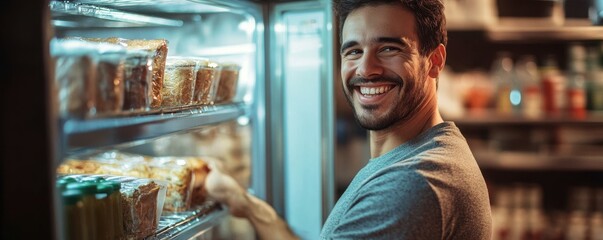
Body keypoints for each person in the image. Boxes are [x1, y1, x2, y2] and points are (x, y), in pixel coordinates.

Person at [204, 0, 493, 239]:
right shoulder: (421, 154)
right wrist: (248, 206)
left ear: (435, 60)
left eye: (389, 48)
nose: (366, 69)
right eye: (354, 51)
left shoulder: (411, 185)